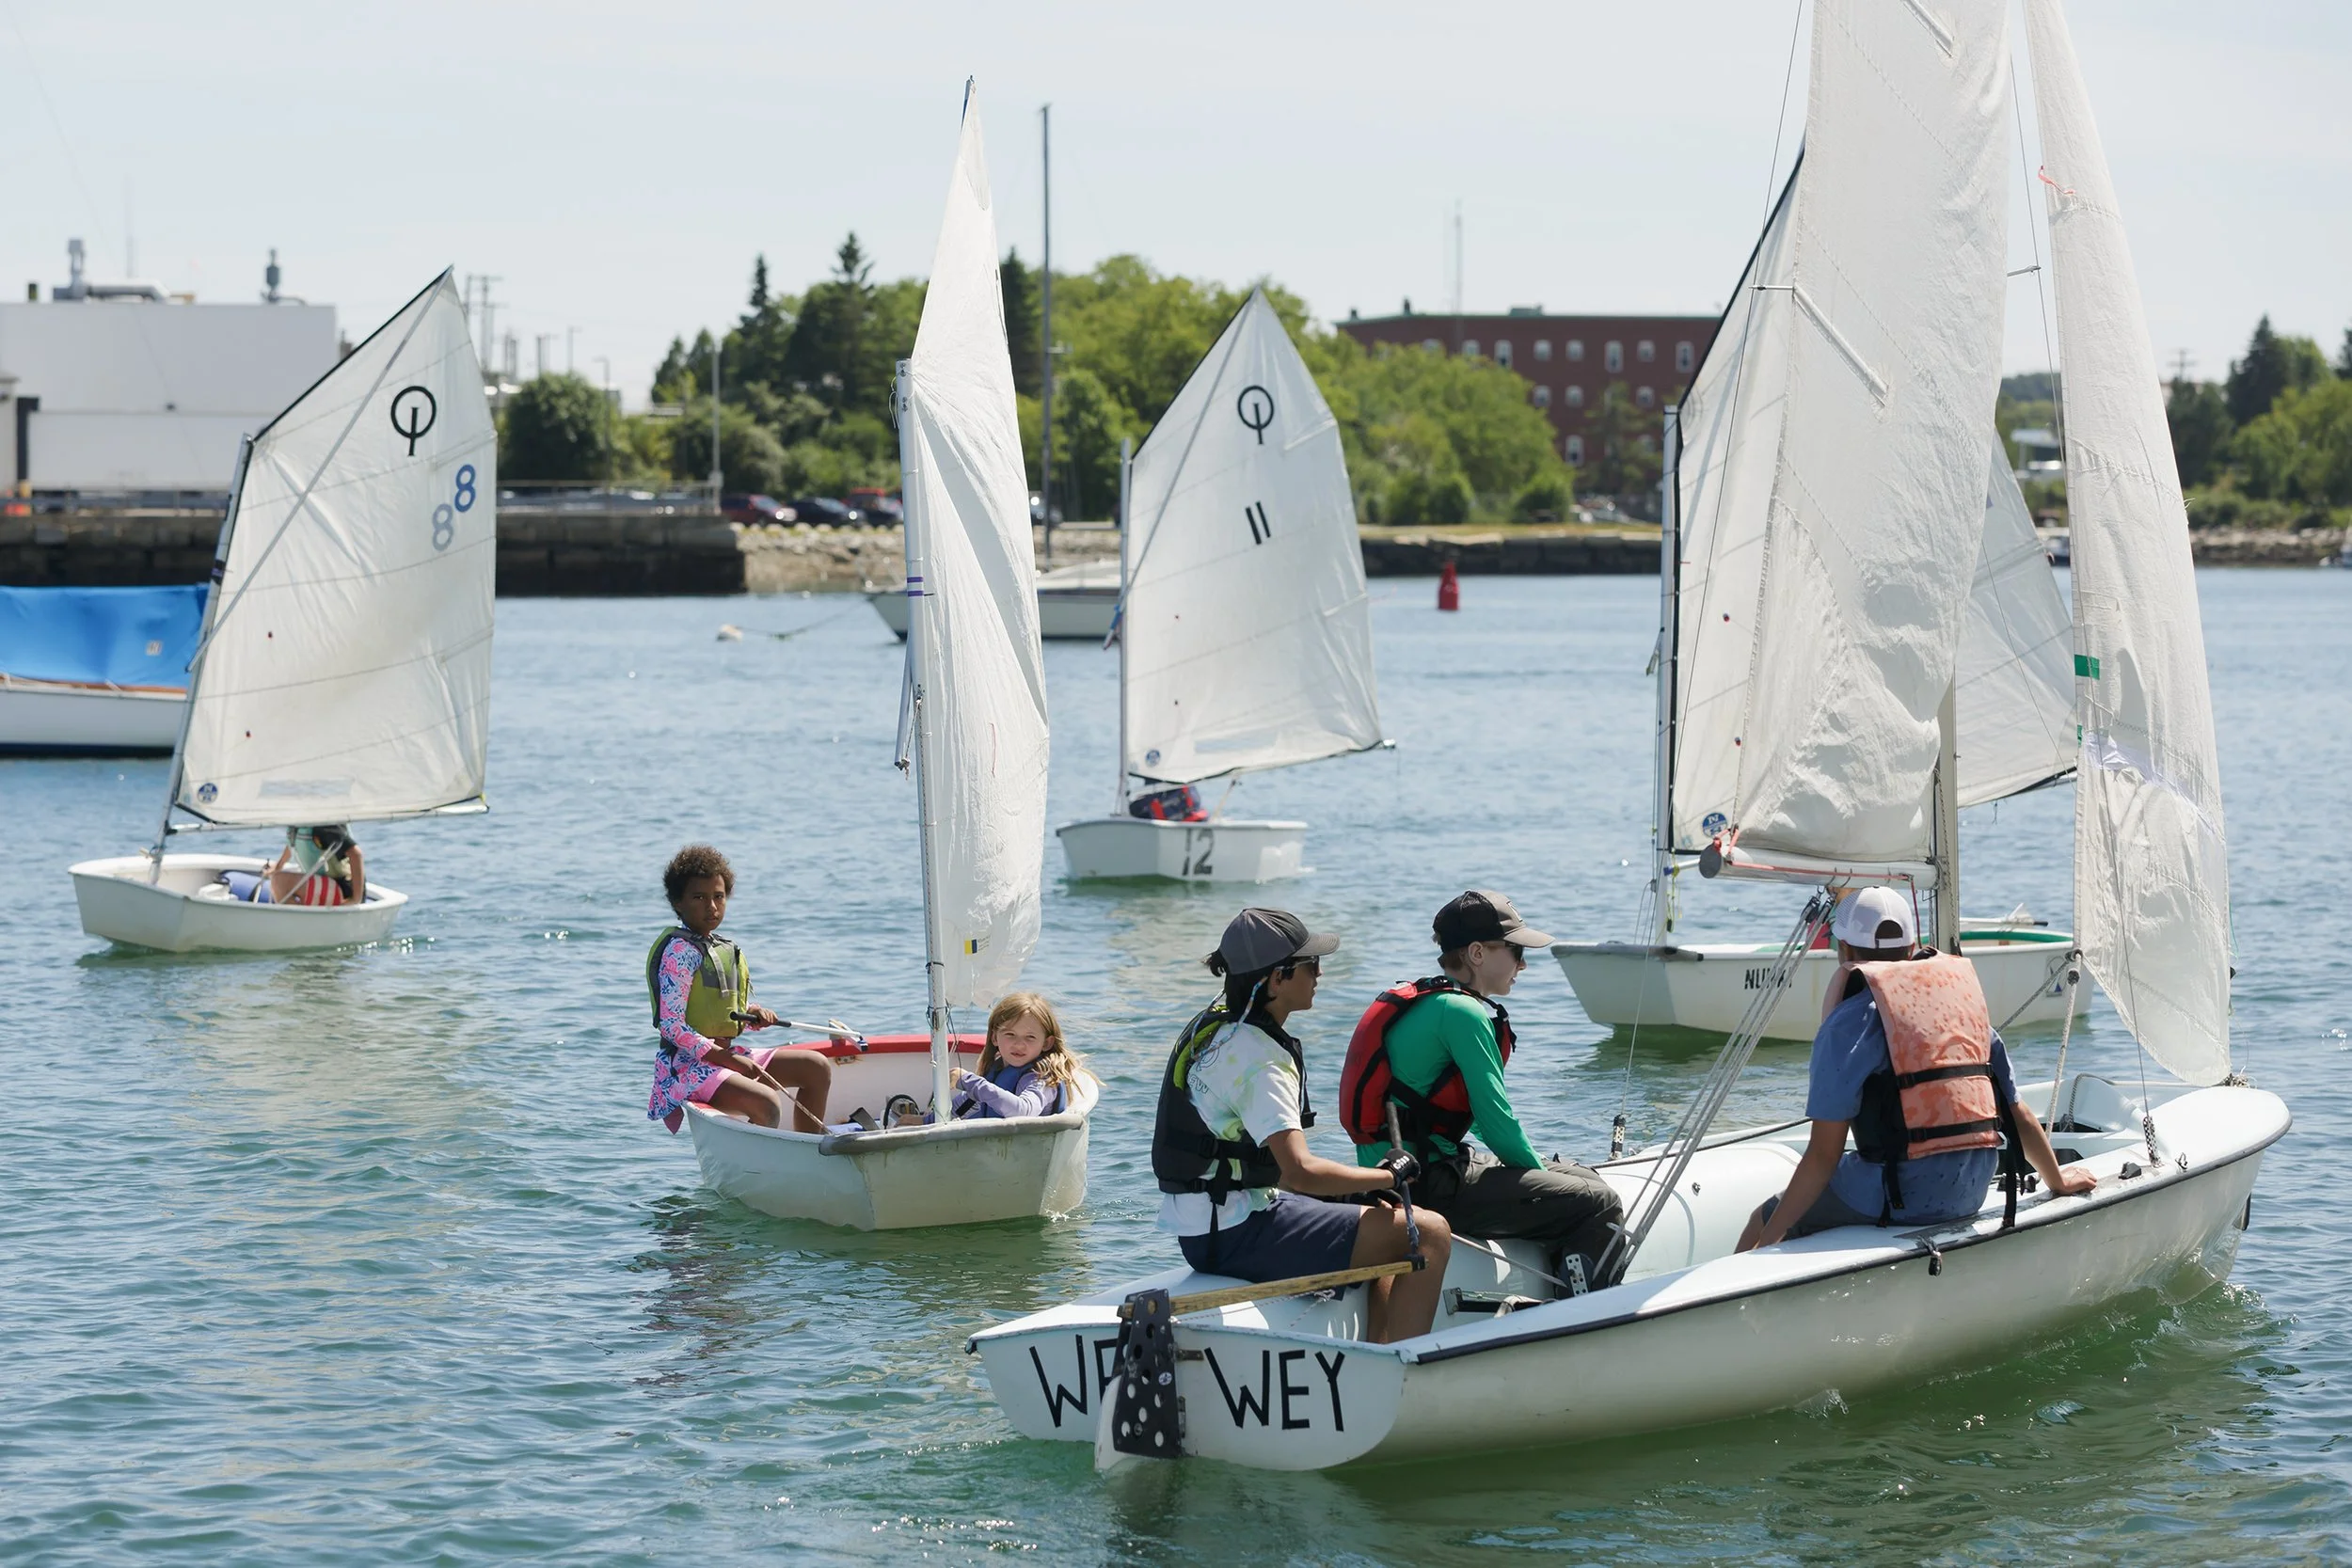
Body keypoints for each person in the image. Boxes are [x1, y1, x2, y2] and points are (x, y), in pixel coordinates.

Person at [1152, 907, 1452, 1344]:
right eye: (1311, 965)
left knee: (1380, 1212)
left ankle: (1378, 1350)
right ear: (1277, 979)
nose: (1319, 974)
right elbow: (1299, 1172)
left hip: (1204, 1228)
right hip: (1237, 1233)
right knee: (1428, 1233)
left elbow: (1267, 1167)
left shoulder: (1217, 1024)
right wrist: (1390, 1175)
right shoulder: (1260, 1059)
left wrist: (1360, 1190)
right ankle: (1402, 1368)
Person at [1738, 887, 2096, 1250]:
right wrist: (2057, 1181)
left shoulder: (1848, 1025)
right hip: (1971, 1188)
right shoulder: (1961, 1009)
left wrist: (1767, 1240)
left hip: (1898, 1196)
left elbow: (1823, 1156)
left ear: (1844, 950)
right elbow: (2017, 1114)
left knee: (1761, 1217)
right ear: (1912, 949)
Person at [1343, 890, 1625, 1288]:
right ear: (1477, 953)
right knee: (1598, 1201)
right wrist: (1539, 1176)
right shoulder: (1464, 1013)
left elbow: (1457, 1114)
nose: (1523, 964)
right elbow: (1496, 1123)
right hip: (1427, 1184)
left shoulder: (1434, 1001)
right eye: (1515, 951)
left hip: (1414, 1170)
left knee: (1585, 1178)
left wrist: (1546, 1179)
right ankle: (1586, 1310)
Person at [644, 844, 834, 1135]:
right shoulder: (680, 952)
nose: (712, 906)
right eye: (699, 897)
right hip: (687, 1068)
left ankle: (809, 1149)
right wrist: (727, 1059)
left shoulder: (717, 946)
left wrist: (752, 1015)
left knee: (815, 1067)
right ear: (678, 903)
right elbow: (671, 1026)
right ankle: (760, 1161)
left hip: (726, 1055)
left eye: (718, 896)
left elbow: (717, 1013)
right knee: (767, 1104)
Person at [894, 991, 1087, 1124]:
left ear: (1046, 1043)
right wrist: (925, 1122)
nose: (1019, 1045)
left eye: (1030, 1037)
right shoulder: (999, 1069)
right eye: (1010, 1035)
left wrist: (969, 1080)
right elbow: (968, 1103)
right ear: (995, 1037)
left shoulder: (1043, 1079)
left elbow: (1022, 1111)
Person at [222, 825, 366, 906]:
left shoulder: (325, 826)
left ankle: (299, 923)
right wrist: (278, 867)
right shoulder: (297, 825)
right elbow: (292, 844)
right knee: (278, 876)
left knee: (279, 881)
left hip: (342, 890)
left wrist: (356, 899)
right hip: (325, 883)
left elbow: (356, 854)